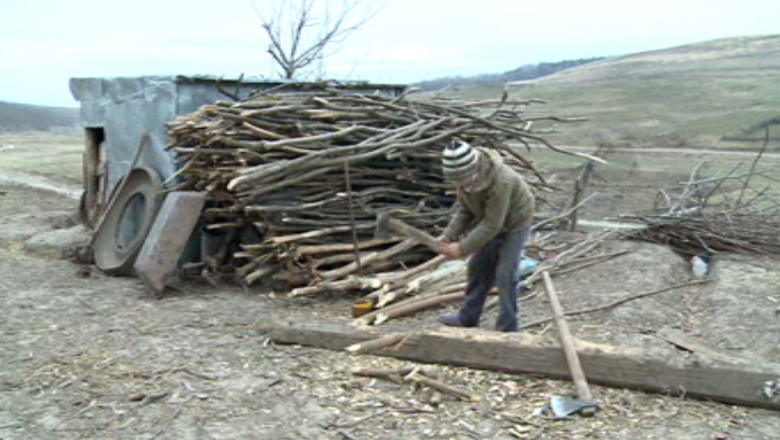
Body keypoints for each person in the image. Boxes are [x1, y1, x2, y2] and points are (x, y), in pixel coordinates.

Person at [435, 141, 535, 332]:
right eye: (457, 182)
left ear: (474, 169)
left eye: (463, 181)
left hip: (515, 223)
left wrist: (462, 248)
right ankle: (468, 318)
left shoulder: (501, 181)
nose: (461, 186)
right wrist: (448, 236)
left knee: (506, 273)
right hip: (491, 220)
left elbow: (492, 224)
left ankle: (508, 327)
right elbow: (465, 210)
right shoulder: (464, 179)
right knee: (477, 268)